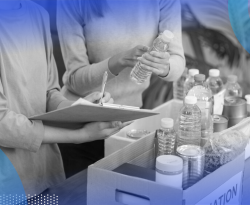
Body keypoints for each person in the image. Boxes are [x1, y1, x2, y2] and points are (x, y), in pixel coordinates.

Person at [0, 0, 130, 204]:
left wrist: (81, 110)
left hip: (42, 178)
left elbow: (48, 94)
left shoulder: (38, 15)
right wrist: (78, 135)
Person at [56, 0, 185, 177]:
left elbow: (177, 62)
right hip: (81, 125)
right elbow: (74, 79)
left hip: (127, 123)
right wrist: (117, 62)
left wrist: (164, 66)